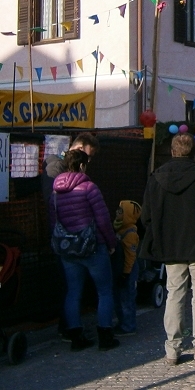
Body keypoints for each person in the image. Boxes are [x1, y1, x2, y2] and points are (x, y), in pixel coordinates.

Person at [140, 133, 195, 365]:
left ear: (173, 150)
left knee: (174, 294)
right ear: (192, 152)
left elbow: (146, 216)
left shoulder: (156, 177)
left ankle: (173, 349)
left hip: (170, 245)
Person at [50, 149, 119, 352]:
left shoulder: (55, 193)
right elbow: (103, 219)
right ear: (82, 165)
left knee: (73, 292)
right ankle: (105, 336)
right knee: (104, 291)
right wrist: (111, 242)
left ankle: (75, 338)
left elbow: (53, 223)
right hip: (92, 246)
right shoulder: (89, 188)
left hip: (68, 250)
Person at [112, 200, 140, 337]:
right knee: (120, 296)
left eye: (121, 211)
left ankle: (128, 326)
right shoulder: (120, 228)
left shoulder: (130, 233)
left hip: (127, 270)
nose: (117, 213)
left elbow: (131, 256)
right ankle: (123, 322)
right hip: (121, 269)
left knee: (127, 298)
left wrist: (126, 273)